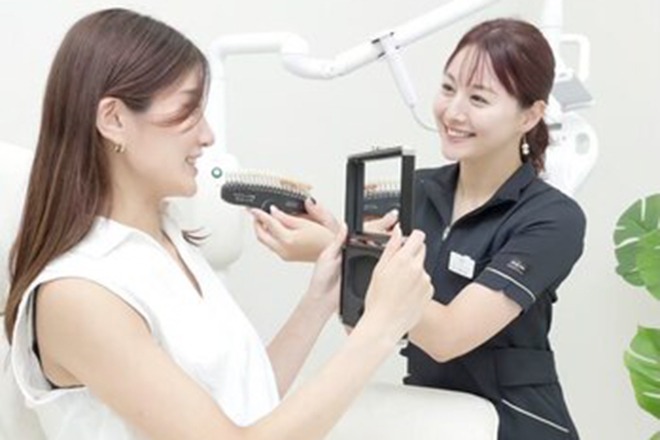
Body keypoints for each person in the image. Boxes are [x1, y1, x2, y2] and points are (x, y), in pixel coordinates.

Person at [2, 8, 435, 440]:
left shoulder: (166, 240)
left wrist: (319, 300)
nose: (207, 135)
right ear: (114, 120)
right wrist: (379, 329)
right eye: (188, 112)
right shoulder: (79, 294)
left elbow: (245, 407)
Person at [251, 18, 585, 440]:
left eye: (478, 98)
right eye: (447, 88)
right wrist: (341, 246)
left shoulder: (552, 218)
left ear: (530, 115)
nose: (453, 112)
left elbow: (448, 336)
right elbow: (367, 324)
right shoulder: (418, 190)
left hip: (515, 423)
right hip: (429, 415)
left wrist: (341, 251)